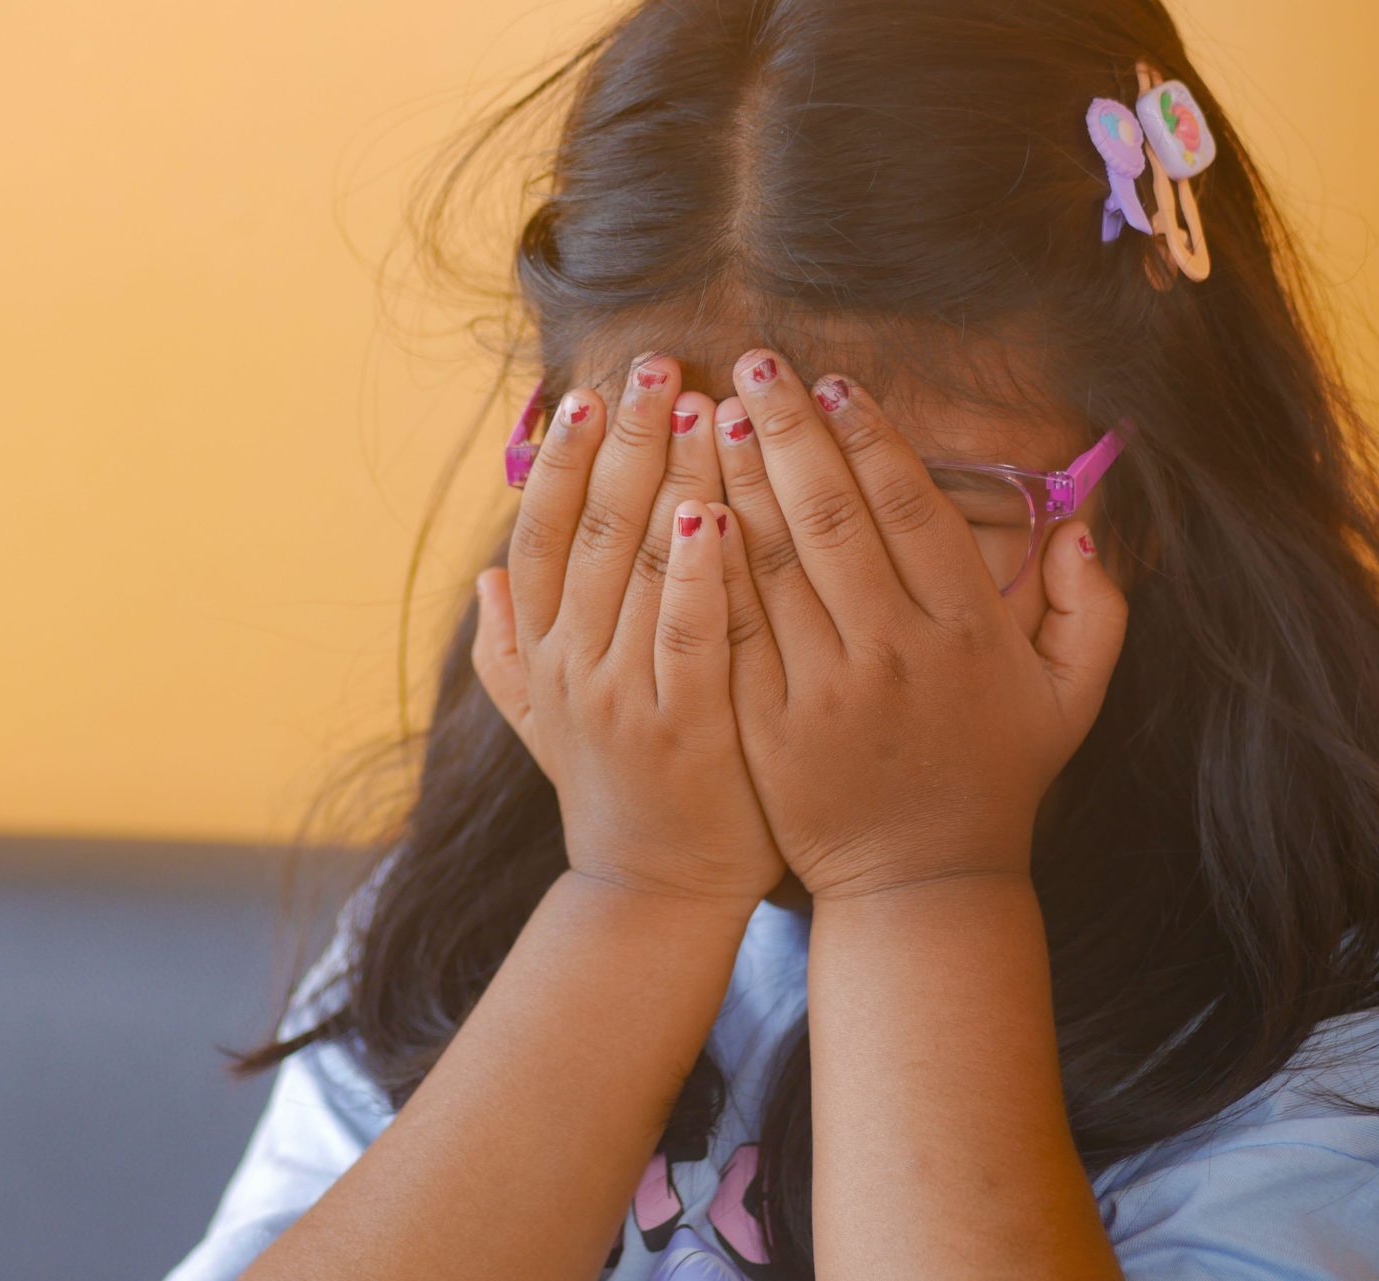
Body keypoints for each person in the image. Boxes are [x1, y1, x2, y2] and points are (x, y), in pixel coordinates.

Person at [165, 0, 1379, 1276]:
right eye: (670, 495)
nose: (755, 595)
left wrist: (926, 886)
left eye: (907, 516)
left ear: (1152, 501)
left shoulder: (1320, 1000)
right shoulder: (463, 914)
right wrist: (635, 893)